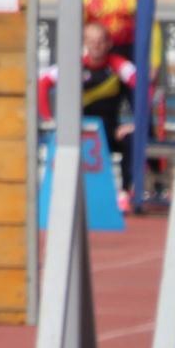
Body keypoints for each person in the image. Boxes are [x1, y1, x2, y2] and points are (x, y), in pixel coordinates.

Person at [42, 19, 139, 214]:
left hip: (109, 131)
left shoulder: (119, 66)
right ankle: (59, 195)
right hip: (79, 131)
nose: (96, 45)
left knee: (132, 140)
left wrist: (136, 123)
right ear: (84, 42)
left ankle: (125, 193)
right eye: (91, 41)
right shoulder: (73, 65)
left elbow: (144, 88)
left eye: (101, 41)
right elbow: (42, 82)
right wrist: (48, 119)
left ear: (109, 44)